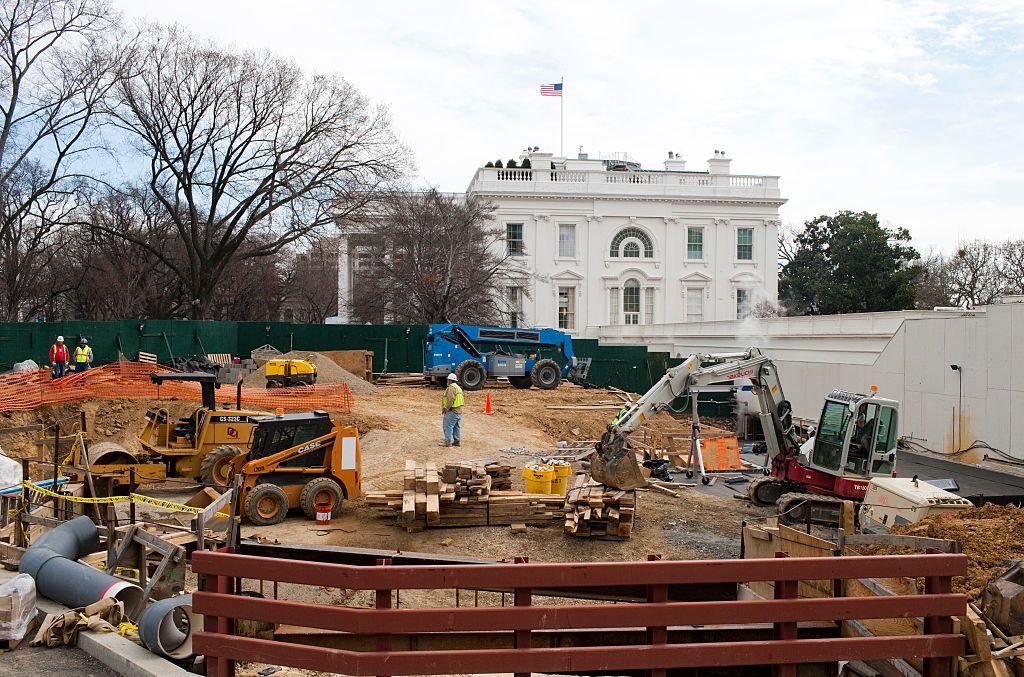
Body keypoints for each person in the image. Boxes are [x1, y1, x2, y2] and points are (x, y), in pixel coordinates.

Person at [440, 372, 464, 447]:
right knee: (456, 426)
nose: (447, 381)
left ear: (450, 380)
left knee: (448, 426)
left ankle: (448, 442)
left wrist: (446, 408)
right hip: (458, 410)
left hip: (452, 410)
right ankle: (457, 441)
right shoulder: (458, 387)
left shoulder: (451, 388)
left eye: (448, 380)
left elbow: (450, 399)